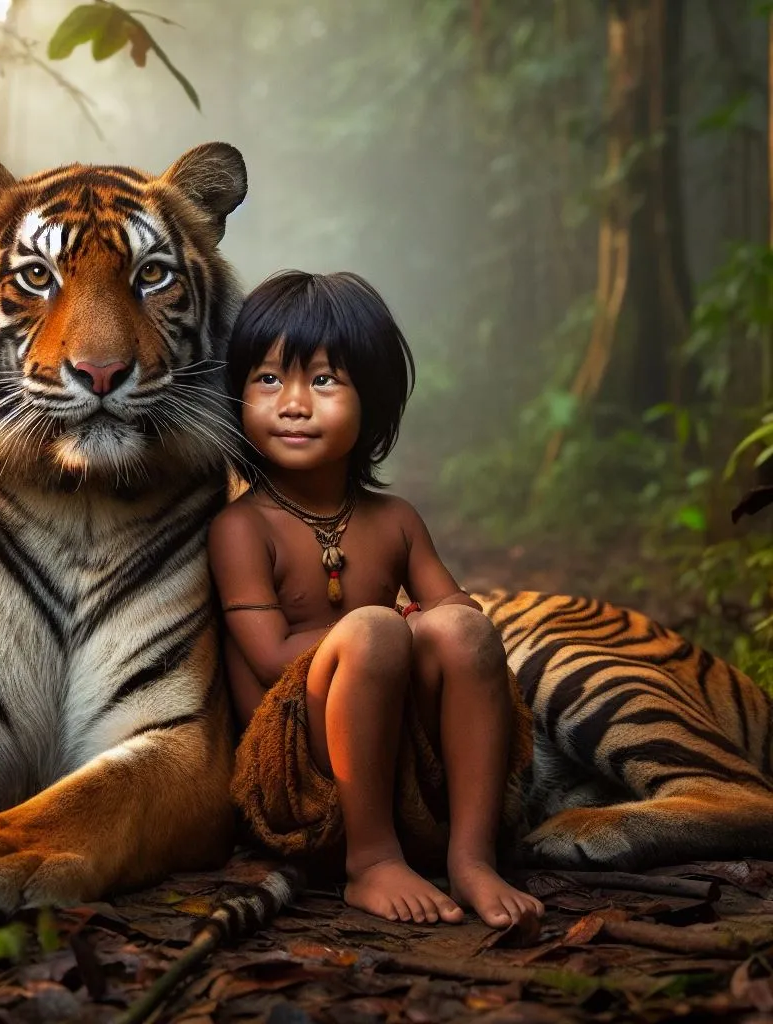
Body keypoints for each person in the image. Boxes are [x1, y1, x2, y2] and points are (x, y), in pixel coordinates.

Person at [207, 270, 544, 928]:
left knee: (465, 634)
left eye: (324, 380)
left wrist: (426, 625)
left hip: (407, 765)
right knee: (374, 632)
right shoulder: (241, 528)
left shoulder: (394, 520)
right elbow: (273, 657)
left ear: (375, 398)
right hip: (301, 773)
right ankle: (372, 860)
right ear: (237, 395)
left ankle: (471, 856)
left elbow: (460, 615)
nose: (295, 403)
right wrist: (382, 627)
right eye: (269, 379)